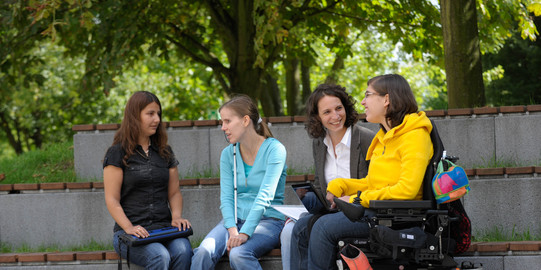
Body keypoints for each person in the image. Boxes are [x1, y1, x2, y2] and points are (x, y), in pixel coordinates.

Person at [290, 74, 434, 270]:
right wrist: (340, 185)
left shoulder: (415, 136)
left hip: (393, 217)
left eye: (368, 95)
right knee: (301, 227)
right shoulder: (385, 137)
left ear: (386, 99)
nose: (363, 102)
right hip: (376, 210)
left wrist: (358, 200)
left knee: (323, 227)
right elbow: (372, 182)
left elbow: (406, 190)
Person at [280, 83, 375, 269]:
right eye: (327, 112)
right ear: (318, 117)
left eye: (339, 108)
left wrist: (351, 198)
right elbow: (320, 183)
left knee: (317, 227)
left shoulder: (366, 139)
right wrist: (312, 200)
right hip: (332, 211)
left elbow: (378, 182)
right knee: (298, 227)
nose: (335, 116)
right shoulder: (319, 144)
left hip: (360, 210)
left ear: (346, 108)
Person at [191, 95, 287, 270]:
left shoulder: (275, 150)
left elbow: (265, 196)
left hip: (268, 221)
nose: (223, 127)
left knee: (239, 253)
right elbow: (226, 197)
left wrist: (245, 232)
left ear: (245, 120)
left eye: (227, 121)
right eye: (222, 122)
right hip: (234, 221)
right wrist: (232, 230)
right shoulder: (228, 154)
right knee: (203, 252)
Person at [103, 91, 192, 270]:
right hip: (129, 233)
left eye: (158, 114)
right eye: (150, 114)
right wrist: (128, 227)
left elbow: (174, 193)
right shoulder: (117, 153)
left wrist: (176, 217)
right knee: (160, 255)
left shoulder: (165, 152)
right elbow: (112, 199)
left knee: (183, 250)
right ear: (135, 116)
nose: (157, 119)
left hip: (164, 229)